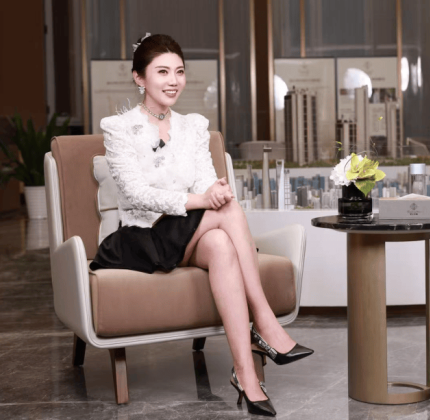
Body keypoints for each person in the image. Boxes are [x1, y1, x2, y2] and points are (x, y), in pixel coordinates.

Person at [90, 33, 312, 417]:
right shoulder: (119, 127)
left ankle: (246, 375)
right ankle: (265, 322)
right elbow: (136, 193)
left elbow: (206, 182)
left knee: (223, 241)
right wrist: (202, 201)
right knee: (227, 213)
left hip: (186, 233)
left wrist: (215, 191)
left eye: (179, 71)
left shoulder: (193, 127)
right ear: (139, 78)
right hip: (142, 236)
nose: (173, 80)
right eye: (162, 72)